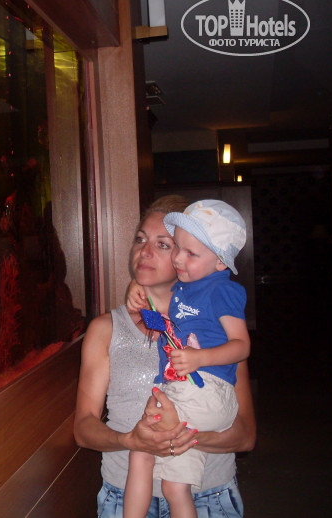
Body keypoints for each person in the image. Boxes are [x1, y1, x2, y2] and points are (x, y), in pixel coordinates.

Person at [73, 195, 256, 518]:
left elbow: (245, 436)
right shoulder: (105, 329)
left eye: (162, 245)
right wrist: (132, 440)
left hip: (206, 498)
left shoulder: (217, 331)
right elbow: (83, 428)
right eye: (140, 240)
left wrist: (178, 437)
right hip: (123, 497)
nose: (144, 252)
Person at [123, 200, 251, 518]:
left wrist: (200, 358)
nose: (179, 258)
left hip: (206, 388)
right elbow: (167, 317)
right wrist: (138, 288)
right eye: (177, 247)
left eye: (190, 253)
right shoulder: (186, 288)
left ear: (220, 262)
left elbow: (242, 346)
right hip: (187, 389)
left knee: (142, 449)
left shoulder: (221, 291)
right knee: (172, 485)